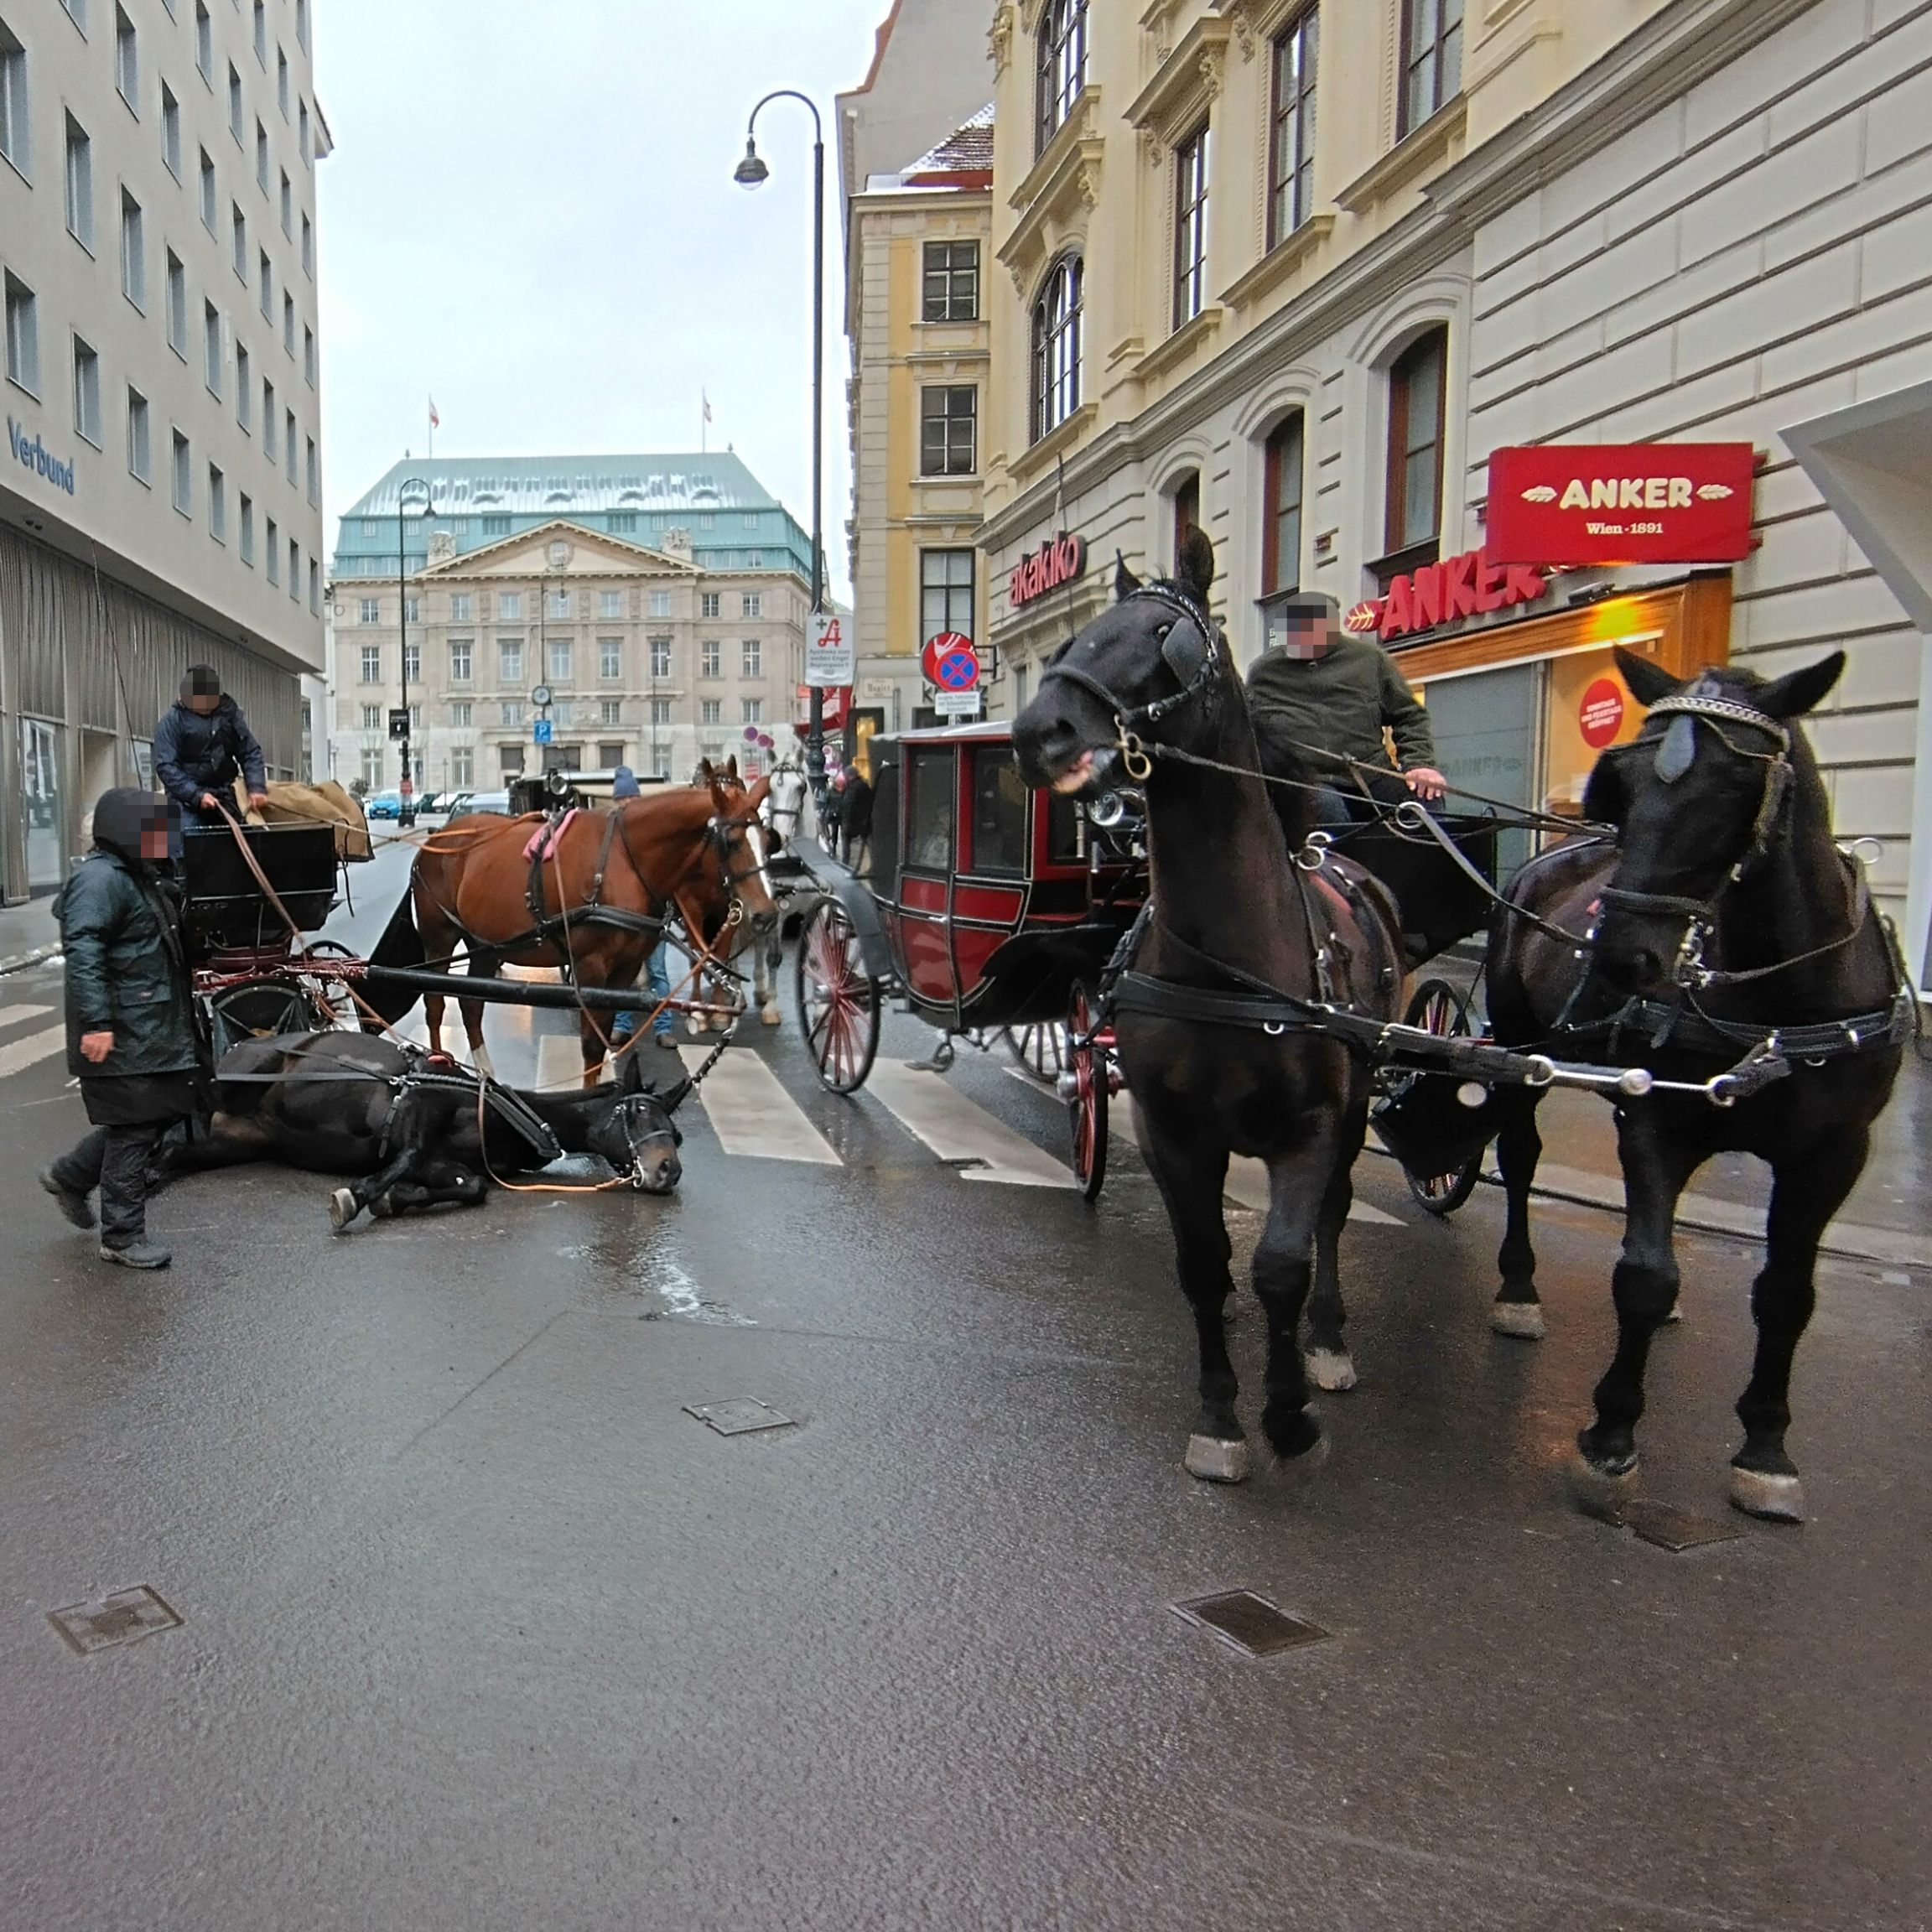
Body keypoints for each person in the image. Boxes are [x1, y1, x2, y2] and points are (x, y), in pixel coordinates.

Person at [39, 789, 202, 1269]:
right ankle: (123, 1236)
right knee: (134, 1129)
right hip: (122, 1029)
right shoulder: (99, 881)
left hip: (147, 1026)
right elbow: (83, 955)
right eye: (154, 831)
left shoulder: (135, 876)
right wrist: (96, 1023)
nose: (164, 841)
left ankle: (70, 1176)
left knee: (154, 1116)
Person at [1244, 591, 1447, 834]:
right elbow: (1251, 730)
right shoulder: (1263, 671)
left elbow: (1409, 715)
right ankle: (1340, 870)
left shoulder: (1370, 661)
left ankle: (1425, 869)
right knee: (1326, 810)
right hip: (1308, 780)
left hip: (1370, 774)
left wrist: (1420, 764)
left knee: (1425, 802)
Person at [153, 664, 268, 855]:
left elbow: (250, 752)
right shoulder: (172, 721)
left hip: (227, 794)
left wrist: (256, 787)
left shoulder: (231, 717)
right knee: (187, 841)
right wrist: (196, 795)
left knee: (255, 838)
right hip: (186, 801)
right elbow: (166, 766)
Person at [605, 766, 679, 1054]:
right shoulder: (614, 832)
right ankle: (622, 1026)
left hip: (652, 917)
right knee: (624, 975)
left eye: (631, 799)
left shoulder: (652, 833)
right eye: (623, 800)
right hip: (625, 918)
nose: (627, 805)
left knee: (657, 972)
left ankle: (663, 1029)